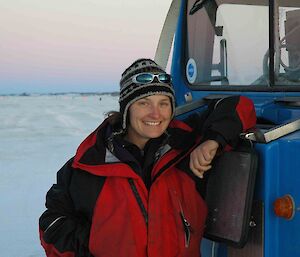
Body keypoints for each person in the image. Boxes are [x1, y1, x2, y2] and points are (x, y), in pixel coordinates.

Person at [39, 58, 256, 257]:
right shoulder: (89, 164)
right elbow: (52, 222)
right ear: (126, 110)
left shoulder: (185, 145)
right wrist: (92, 246)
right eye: (144, 103)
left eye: (163, 103)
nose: (156, 114)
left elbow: (239, 105)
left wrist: (213, 140)